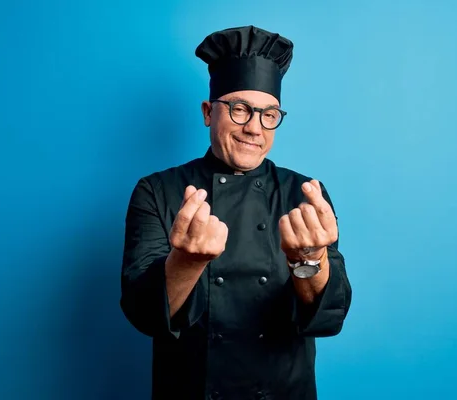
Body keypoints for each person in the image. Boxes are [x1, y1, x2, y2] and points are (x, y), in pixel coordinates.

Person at [120, 25, 352, 400]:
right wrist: (187, 261)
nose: (254, 129)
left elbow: (330, 317)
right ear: (209, 112)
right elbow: (143, 315)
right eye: (240, 109)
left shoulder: (305, 194)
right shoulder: (157, 191)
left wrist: (308, 259)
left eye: (269, 115)